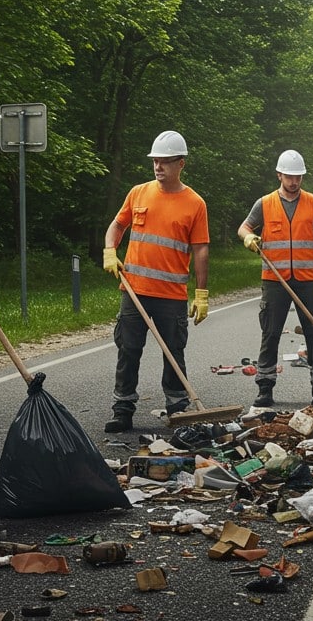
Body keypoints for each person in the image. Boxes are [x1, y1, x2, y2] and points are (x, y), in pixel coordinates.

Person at [101, 130, 210, 433]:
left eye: (165, 161)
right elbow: (117, 225)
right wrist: (110, 250)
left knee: (173, 352)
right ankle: (122, 409)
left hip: (171, 295)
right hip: (134, 290)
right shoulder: (138, 193)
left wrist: (201, 293)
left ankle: (178, 409)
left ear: (181, 164)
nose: (158, 166)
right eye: (155, 161)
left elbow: (201, 250)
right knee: (128, 350)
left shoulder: (195, 203)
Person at [237, 150, 313, 407]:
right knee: (271, 334)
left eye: (298, 177)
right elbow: (244, 227)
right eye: (289, 177)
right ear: (279, 175)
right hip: (274, 280)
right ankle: (265, 386)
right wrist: (248, 237)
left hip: (307, 279)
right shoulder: (264, 203)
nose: (294, 181)